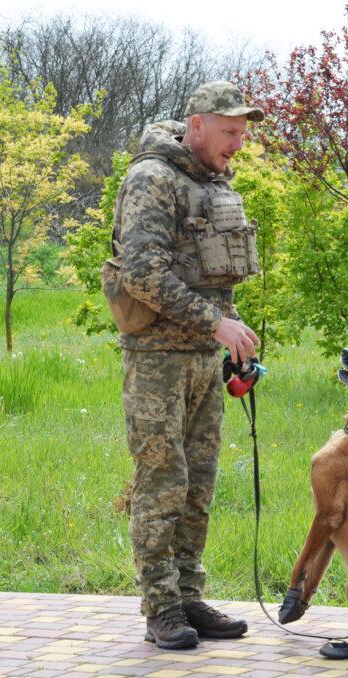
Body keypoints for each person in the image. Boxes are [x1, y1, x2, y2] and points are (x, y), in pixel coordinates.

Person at [113, 81, 263, 649]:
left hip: (204, 356)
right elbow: (142, 273)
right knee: (162, 483)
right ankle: (161, 609)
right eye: (229, 133)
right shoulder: (152, 178)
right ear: (197, 125)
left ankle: (190, 595)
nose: (238, 145)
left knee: (199, 484)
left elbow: (211, 274)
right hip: (157, 360)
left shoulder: (215, 183)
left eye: (243, 134)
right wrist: (213, 323)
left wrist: (232, 340)